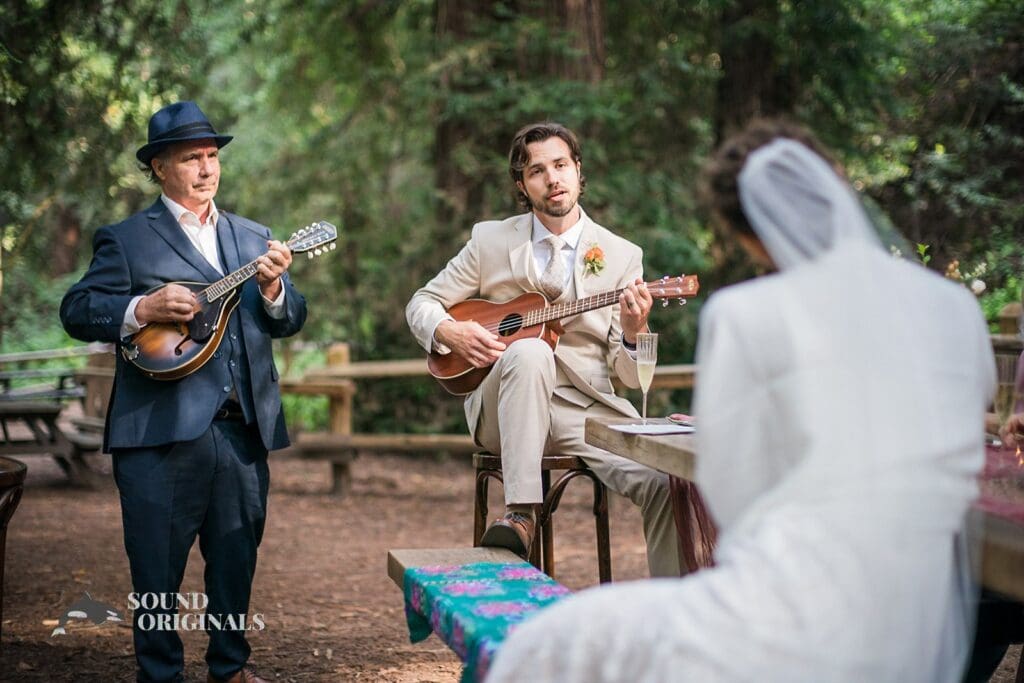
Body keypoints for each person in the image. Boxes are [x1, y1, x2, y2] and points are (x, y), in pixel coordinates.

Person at [485, 120, 995, 682]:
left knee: (547, 647)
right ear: (837, 182)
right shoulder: (955, 310)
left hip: (790, 602)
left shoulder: (745, 313)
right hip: (937, 606)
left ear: (745, 234)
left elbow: (730, 491)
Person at [61, 101, 307, 683]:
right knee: (156, 571)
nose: (206, 168)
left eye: (212, 156)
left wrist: (274, 290)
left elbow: (289, 317)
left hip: (240, 430)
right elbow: (76, 309)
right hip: (158, 432)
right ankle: (160, 674)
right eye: (191, 158)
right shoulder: (125, 239)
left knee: (235, 561)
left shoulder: (255, 238)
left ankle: (229, 668)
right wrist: (140, 307)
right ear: (159, 168)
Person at [406, 122, 680, 577]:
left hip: (585, 412)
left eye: (560, 165)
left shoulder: (620, 254)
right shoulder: (489, 240)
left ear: (577, 170)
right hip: (502, 405)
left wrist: (636, 329)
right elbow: (422, 302)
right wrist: (449, 332)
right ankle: (521, 513)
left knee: (664, 484)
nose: (552, 178)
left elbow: (628, 377)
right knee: (530, 353)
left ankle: (679, 615)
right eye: (537, 170)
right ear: (522, 184)